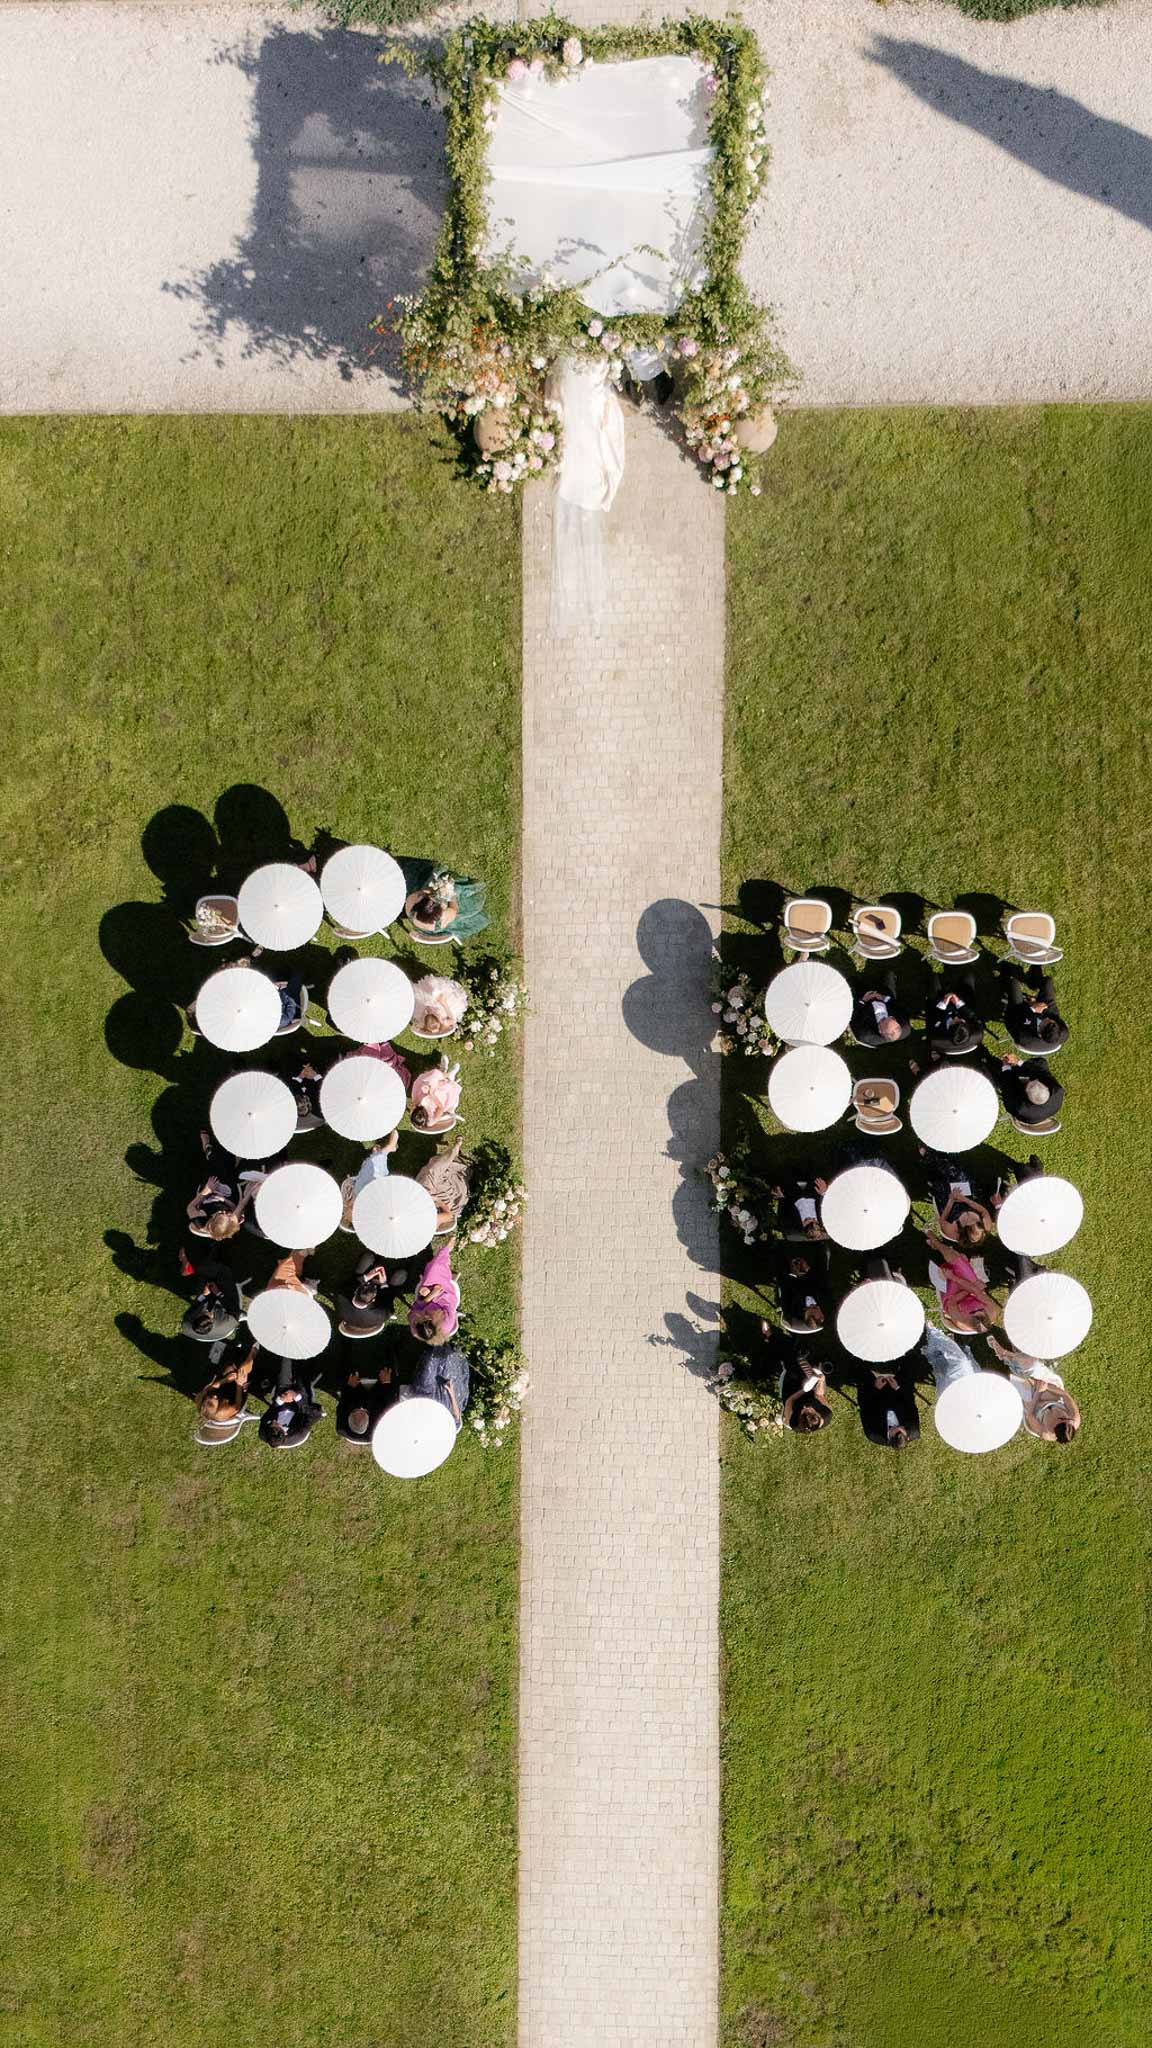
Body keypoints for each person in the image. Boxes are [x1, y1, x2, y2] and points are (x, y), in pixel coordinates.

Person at [986, 1332, 1081, 1443]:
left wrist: (1037, 1392)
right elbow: (1064, 1394)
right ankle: (1010, 1354)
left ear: (1054, 1430)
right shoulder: (1074, 1418)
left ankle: (1008, 1355)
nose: (1061, 1417)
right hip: (1051, 1393)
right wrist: (1043, 1385)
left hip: (1033, 1405)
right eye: (1065, 1418)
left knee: (1021, 1375)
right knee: (1031, 1365)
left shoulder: (1045, 1433)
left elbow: (1029, 1414)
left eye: (1059, 1420)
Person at [925, 1232, 1000, 1332]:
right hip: (972, 1290)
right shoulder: (992, 1311)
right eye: (980, 1310)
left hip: (953, 1296)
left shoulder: (961, 1321)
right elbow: (977, 1291)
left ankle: (939, 1249)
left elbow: (952, 1302)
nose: (976, 1310)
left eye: (973, 1312)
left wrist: (958, 1281)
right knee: (958, 1261)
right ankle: (935, 1242)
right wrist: (966, 1285)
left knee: (956, 1269)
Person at [919, 1152, 995, 1250]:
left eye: (969, 1222)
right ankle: (946, 1154)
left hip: (948, 1203)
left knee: (942, 1181)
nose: (971, 1219)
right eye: (974, 1221)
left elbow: (942, 1220)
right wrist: (964, 1199)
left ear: (964, 1230)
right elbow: (983, 1211)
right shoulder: (986, 1226)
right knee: (960, 1174)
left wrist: (951, 1200)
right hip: (966, 1198)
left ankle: (929, 1156)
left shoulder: (953, 1232)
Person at [401, 860, 489, 943]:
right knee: (458, 890)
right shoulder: (446, 916)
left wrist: (434, 889)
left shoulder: (411, 902)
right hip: (437, 923)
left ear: (420, 904)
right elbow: (454, 907)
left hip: (423, 924)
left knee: (433, 881)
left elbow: (424, 891)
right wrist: (449, 893)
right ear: (440, 913)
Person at [397, 1336, 471, 1430]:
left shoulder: (423, 1430)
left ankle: (433, 1345)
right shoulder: (451, 1429)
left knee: (429, 1365)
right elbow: (457, 1416)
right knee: (447, 1365)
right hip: (446, 1399)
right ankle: (442, 1344)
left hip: (426, 1394)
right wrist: (451, 1393)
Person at [999, 964, 1069, 1055]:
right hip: (1036, 1013)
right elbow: (1052, 1014)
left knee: (1014, 983)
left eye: (1045, 1022)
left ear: (1040, 1032)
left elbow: (1017, 1017)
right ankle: (1033, 981)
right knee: (1048, 982)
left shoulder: (1025, 1038)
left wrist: (1032, 1008)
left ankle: (1005, 976)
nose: (1046, 1018)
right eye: (1051, 1021)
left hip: (1016, 1016)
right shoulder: (1061, 1032)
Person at [336, 1253, 411, 1337]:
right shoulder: (381, 1314)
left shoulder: (341, 1296)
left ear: (356, 1291)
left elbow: (349, 1283)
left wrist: (366, 1277)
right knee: (401, 1274)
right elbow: (389, 1299)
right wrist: (384, 1284)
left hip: (361, 1281)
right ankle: (408, 1262)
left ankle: (370, 1259)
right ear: (374, 1299)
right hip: (383, 1291)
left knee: (367, 1258)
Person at [340, 1130, 399, 1227]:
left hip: (363, 1179)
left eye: (345, 1215)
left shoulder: (347, 1200)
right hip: (373, 1179)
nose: (352, 1209)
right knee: (376, 1162)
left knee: (371, 1162)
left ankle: (383, 1151)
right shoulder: (367, 1207)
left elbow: (350, 1184)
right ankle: (389, 1147)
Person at [258, 1359, 323, 1448]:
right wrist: (296, 1397)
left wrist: (281, 1400)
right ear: (284, 1432)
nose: (273, 1420)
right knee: (303, 1374)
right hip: (301, 1404)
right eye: (276, 1423)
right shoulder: (299, 1432)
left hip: (282, 1397)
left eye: (271, 1423)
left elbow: (270, 1411)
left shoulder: (264, 1431)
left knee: (285, 1363)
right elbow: (316, 1414)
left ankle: (289, 1354)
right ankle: (310, 1358)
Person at [858, 1363, 920, 1450]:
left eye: (896, 1428)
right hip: (897, 1394)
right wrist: (897, 1388)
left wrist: (875, 1388)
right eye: (903, 1428)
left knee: (862, 1375)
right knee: (908, 1374)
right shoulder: (913, 1430)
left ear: (890, 1436)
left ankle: (860, 1362)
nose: (902, 1426)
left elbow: (864, 1406)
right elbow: (910, 1403)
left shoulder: (873, 1433)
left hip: (875, 1397)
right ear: (908, 1437)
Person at [416, 1140, 473, 1235]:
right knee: (433, 1174)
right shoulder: (433, 1220)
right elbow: (448, 1214)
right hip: (440, 1201)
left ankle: (453, 1153)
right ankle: (454, 1152)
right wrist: (437, 1200)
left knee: (430, 1178)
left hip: (426, 1195)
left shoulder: (412, 1218)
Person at [409, 1239, 461, 1343]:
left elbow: (413, 1311)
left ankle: (441, 1260)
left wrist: (426, 1297)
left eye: (422, 1317)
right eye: (427, 1317)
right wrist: (433, 1294)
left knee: (428, 1279)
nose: (425, 1315)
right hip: (445, 1297)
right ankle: (445, 1253)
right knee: (434, 1269)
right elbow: (448, 1302)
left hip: (429, 1298)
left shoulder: (417, 1329)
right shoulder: (445, 1322)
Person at [180, 1255, 241, 1342]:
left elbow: (197, 1303)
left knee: (204, 1283)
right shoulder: (228, 1321)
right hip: (230, 1308)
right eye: (207, 1313)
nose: (206, 1311)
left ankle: (199, 1269)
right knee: (222, 1272)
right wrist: (218, 1293)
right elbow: (234, 1309)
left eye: (202, 1312)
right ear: (212, 1320)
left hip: (212, 1323)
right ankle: (200, 1267)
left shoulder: (188, 1318)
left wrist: (203, 1295)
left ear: (195, 1318)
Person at [336, 1360, 394, 1444]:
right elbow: (389, 1400)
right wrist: (385, 1383)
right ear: (368, 1418)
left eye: (356, 1410)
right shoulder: (381, 1419)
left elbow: (344, 1400)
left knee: (348, 1374)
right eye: (363, 1412)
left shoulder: (342, 1420)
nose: (361, 1408)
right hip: (375, 1403)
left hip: (357, 1401)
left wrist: (350, 1387)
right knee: (389, 1373)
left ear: (350, 1414)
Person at [999, 1053, 1064, 1126]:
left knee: (999, 1075)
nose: (1028, 1081)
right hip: (1042, 1113)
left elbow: (1007, 1087)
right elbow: (1042, 1070)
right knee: (1040, 1064)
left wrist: (1006, 1066)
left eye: (1027, 1085)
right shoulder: (1058, 1091)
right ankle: (1016, 1069)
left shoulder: (1020, 1109)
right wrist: (1018, 1061)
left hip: (1028, 1118)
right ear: (1046, 1087)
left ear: (1026, 1095)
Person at [196, 1343, 256, 1422]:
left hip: (223, 1391)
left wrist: (225, 1380)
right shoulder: (222, 1413)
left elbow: (212, 1387)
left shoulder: (204, 1399)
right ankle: (253, 1352)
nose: (214, 1396)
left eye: (210, 1396)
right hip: (236, 1398)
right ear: (217, 1408)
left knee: (229, 1369)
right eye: (215, 1399)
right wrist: (239, 1384)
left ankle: (238, 1351)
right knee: (242, 1371)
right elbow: (237, 1406)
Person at [850, 969, 911, 1047]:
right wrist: (884, 997)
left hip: (863, 1004)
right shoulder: (905, 1027)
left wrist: (863, 1000)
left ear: (881, 1031)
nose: (892, 1017)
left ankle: (855, 982)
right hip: (884, 998)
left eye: (883, 1019)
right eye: (892, 1018)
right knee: (888, 981)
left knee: (854, 983)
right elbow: (899, 1006)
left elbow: (853, 1017)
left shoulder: (865, 1034)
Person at [925, 977, 984, 1057]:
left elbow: (932, 1015)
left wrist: (944, 1002)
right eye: (963, 1021)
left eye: (957, 1021)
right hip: (961, 1006)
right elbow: (972, 1016)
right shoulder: (976, 1032)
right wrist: (958, 1002)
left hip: (939, 1008)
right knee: (969, 985)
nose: (961, 1019)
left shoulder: (936, 1035)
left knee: (934, 983)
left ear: (949, 1027)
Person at [778, 1349, 833, 1434]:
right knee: (810, 1375)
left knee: (792, 1370)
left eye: (803, 1411)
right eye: (809, 1409)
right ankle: (800, 1358)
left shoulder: (794, 1423)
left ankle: (789, 1356)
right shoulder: (826, 1413)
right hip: (809, 1392)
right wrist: (821, 1381)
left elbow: (789, 1401)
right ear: (817, 1414)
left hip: (792, 1395)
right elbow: (819, 1395)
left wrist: (803, 1390)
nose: (804, 1407)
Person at [776, 1254, 828, 1332]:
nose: (820, 1310)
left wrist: (794, 1273)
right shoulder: (825, 1304)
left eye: (815, 1308)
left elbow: (784, 1287)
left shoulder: (791, 1310)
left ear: (808, 1316)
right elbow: (822, 1282)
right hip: (810, 1272)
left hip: (790, 1275)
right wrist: (808, 1270)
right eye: (822, 1315)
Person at [410, 1058, 462, 1134]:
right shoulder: (431, 1120)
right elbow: (441, 1107)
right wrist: (432, 1094)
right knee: (444, 1086)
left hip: (426, 1096)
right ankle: (451, 1074)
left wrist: (426, 1090)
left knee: (431, 1080)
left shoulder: (416, 1110)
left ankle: (443, 1069)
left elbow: (416, 1101)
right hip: (438, 1100)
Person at [772, 1175, 829, 1242]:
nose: (813, 1222)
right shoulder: (825, 1220)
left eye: (810, 1227)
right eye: (817, 1226)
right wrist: (824, 1193)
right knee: (818, 1176)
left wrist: (781, 1198)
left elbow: (782, 1216)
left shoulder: (793, 1225)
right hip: (814, 1194)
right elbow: (830, 1206)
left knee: (785, 1177)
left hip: (793, 1197)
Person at [291, 1061, 323, 1129]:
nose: (300, 1104)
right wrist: (315, 1076)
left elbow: (294, 1086)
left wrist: (301, 1075)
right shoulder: (319, 1110)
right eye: (302, 1107)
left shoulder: (292, 1096)